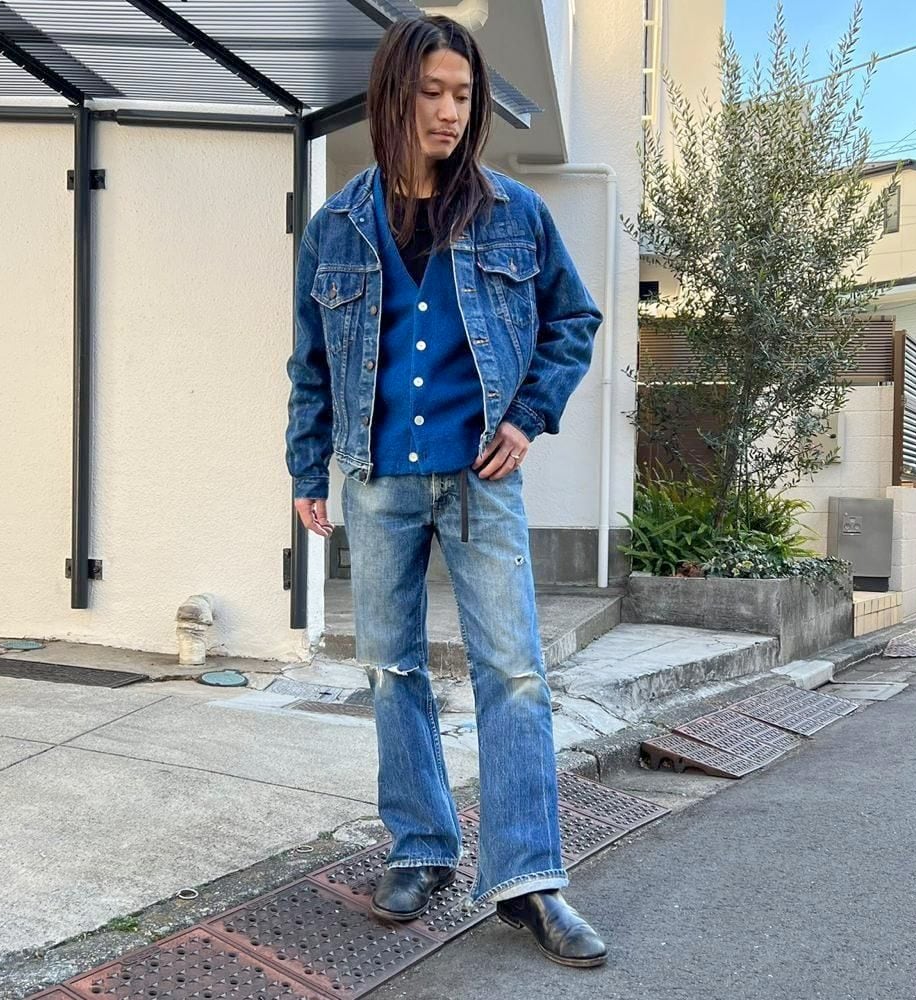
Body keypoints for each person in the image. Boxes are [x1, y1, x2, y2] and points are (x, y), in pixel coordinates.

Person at [285, 13, 606, 969]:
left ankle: (529, 878)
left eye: (463, 95)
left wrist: (527, 417)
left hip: (479, 481)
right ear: (394, 96)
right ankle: (421, 847)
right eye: (431, 92)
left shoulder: (514, 212)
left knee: (515, 672)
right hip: (378, 481)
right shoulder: (336, 226)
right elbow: (310, 363)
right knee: (392, 669)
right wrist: (307, 469)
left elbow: (573, 319)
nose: (449, 111)